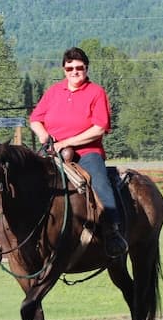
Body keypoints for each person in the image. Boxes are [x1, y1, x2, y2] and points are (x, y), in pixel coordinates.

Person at [29, 47, 128, 258]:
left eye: (79, 67)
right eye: (70, 68)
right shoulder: (54, 91)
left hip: (87, 151)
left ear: (86, 68)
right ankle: (12, 237)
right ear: (64, 70)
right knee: (25, 181)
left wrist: (67, 142)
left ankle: (112, 231)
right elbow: (35, 119)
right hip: (53, 151)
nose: (74, 72)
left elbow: (99, 128)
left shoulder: (96, 92)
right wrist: (44, 136)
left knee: (100, 181)